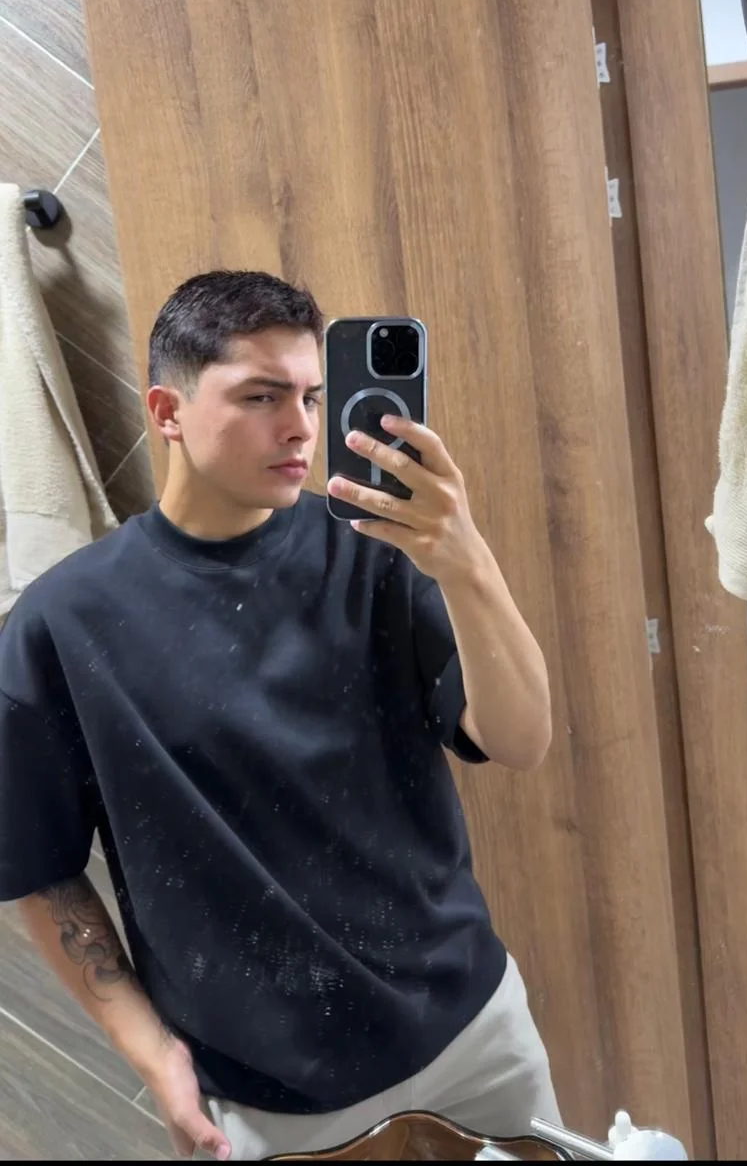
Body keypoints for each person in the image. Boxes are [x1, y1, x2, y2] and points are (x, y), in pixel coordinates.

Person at [0, 271, 559, 1161]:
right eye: (260, 397)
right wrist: (152, 1056)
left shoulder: (374, 545)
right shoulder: (63, 624)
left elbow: (522, 741)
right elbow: (40, 869)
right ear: (167, 410)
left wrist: (466, 562)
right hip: (274, 1097)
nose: (299, 426)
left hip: (474, 1039)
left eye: (310, 396)